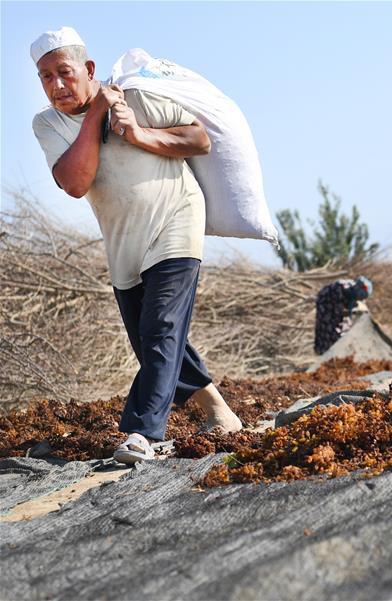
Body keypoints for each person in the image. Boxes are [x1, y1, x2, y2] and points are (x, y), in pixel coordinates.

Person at [30, 27, 242, 464]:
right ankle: (220, 413)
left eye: (64, 73)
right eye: (46, 77)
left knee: (160, 328)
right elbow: (74, 182)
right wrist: (96, 116)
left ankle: (142, 433)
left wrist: (139, 134)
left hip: (176, 222)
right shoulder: (48, 123)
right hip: (123, 243)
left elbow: (198, 139)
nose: (56, 85)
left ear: (88, 69)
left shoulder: (139, 99)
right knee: (155, 342)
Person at [314, 276, 373, 354]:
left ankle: (325, 351)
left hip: (327, 301)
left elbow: (349, 306)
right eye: (362, 296)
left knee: (329, 327)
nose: (361, 298)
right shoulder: (350, 289)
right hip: (327, 301)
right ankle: (325, 352)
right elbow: (346, 307)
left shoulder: (351, 286)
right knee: (330, 328)